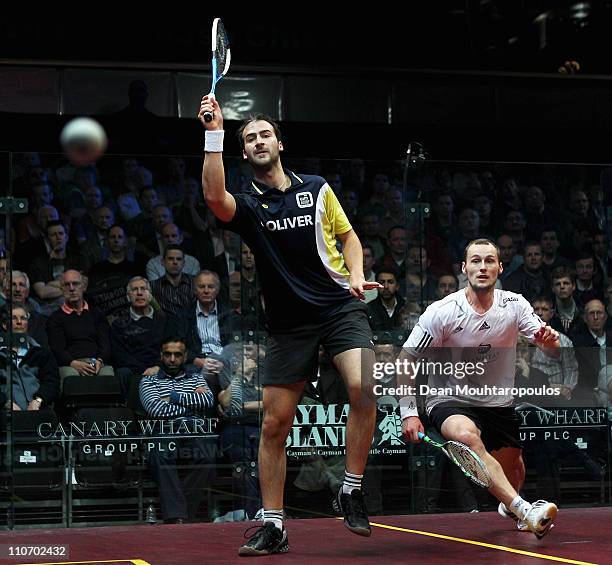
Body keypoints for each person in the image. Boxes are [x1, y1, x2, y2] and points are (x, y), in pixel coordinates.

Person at [199, 96, 382, 556]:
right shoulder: (249, 206)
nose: (258, 141)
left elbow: (348, 236)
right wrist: (214, 133)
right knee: (274, 426)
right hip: (288, 325)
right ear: (243, 152)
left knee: (363, 389)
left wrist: (357, 275)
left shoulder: (317, 189)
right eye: (249, 138)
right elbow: (213, 199)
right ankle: (274, 525)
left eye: (264, 134)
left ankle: (351, 489)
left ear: (279, 143)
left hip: (341, 307)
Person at [399, 238, 560, 540]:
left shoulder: (515, 305)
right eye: (475, 261)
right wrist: (408, 412)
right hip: (449, 399)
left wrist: (551, 344)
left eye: (489, 261)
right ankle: (525, 511)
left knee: (513, 471)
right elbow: (406, 360)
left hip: (499, 403)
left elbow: (550, 348)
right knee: (466, 436)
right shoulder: (442, 312)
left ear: (500, 267)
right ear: (464, 268)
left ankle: (510, 504)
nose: (482, 267)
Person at [139, 336, 216, 524]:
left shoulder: (196, 377)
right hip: (164, 429)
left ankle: (182, 513)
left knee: (208, 456)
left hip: (194, 429)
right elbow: (156, 410)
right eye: (167, 354)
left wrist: (172, 397)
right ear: (161, 355)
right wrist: (191, 403)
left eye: (177, 355)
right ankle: (177, 517)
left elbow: (208, 401)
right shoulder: (149, 380)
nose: (172, 359)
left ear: (185, 356)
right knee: (160, 456)